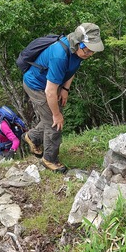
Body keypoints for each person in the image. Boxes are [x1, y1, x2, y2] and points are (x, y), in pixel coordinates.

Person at [22, 23, 104, 172]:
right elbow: (50, 92)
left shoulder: (77, 50)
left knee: (52, 118)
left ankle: (33, 137)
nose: (90, 54)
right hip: (36, 85)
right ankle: (49, 159)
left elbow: (72, 68)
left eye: (93, 51)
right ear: (78, 43)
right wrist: (57, 114)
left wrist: (65, 88)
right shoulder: (59, 55)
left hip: (51, 84)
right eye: (88, 50)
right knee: (55, 123)